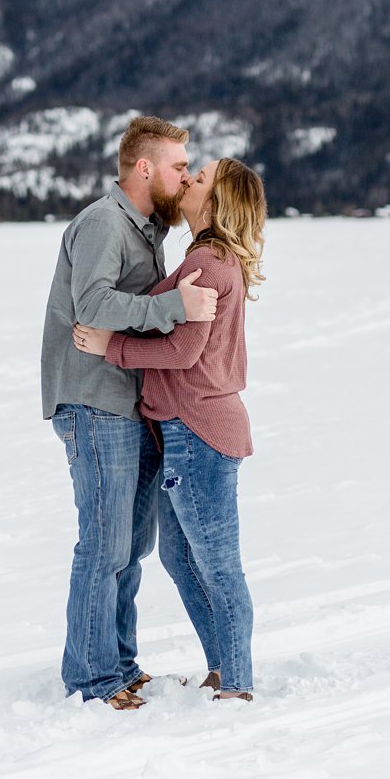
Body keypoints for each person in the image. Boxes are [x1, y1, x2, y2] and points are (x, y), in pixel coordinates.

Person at [40, 116, 216, 711]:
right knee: (104, 546)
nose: (184, 177)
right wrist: (171, 307)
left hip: (127, 404)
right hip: (94, 402)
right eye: (177, 167)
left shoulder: (144, 231)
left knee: (131, 547)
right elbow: (90, 303)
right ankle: (91, 681)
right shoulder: (102, 223)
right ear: (145, 168)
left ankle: (118, 662)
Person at [74, 158, 266, 702]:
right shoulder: (207, 258)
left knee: (217, 564)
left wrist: (109, 347)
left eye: (198, 178)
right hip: (189, 429)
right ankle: (224, 668)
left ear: (216, 202)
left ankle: (238, 683)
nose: (187, 180)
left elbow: (183, 350)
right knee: (181, 558)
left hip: (200, 431)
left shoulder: (207, 262)